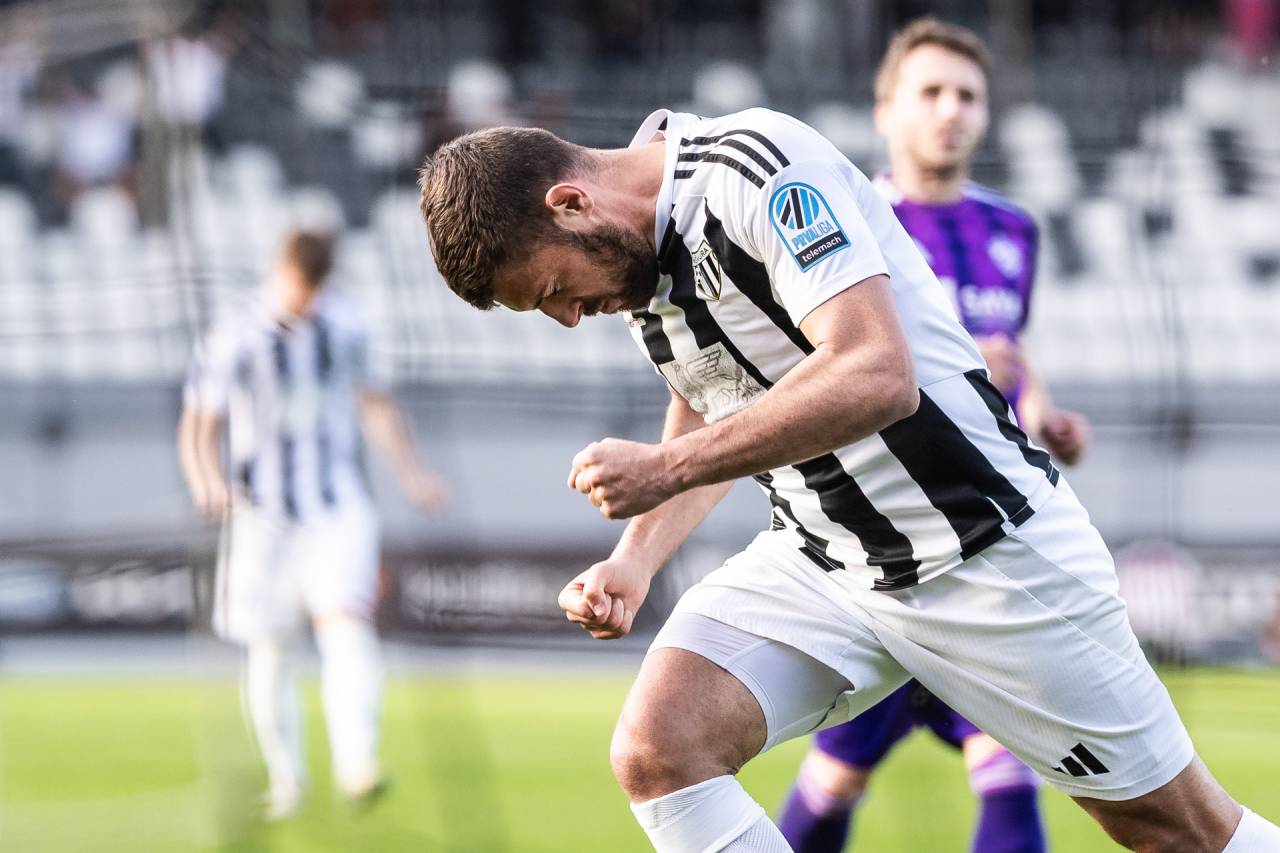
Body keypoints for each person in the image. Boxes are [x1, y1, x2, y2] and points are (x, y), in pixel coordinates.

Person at [417, 104, 1280, 850]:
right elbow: (713, 400)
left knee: (1180, 831)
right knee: (658, 749)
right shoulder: (639, 262)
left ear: (572, 203)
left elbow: (876, 373)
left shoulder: (755, 170)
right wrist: (635, 558)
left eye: (554, 289)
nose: (570, 317)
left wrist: (665, 467)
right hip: (825, 562)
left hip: (983, 554)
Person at [777, 19, 1088, 853]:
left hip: (989, 545)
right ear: (886, 111)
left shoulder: (1014, 230)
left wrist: (1043, 414)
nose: (952, 110)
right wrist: (958, 359)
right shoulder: (846, 225)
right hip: (881, 547)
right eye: (931, 92)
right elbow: (826, 369)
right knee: (836, 777)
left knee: (1010, 762)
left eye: (968, 95)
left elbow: (1010, 354)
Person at [178, 230, 447, 819]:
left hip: (334, 506)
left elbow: (376, 404)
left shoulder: (346, 325)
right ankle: (287, 780)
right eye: (303, 285)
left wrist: (413, 474)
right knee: (271, 647)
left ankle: (358, 764)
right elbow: (200, 420)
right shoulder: (236, 331)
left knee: (346, 625)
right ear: (282, 272)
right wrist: (206, 481)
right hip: (261, 513)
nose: (308, 298)